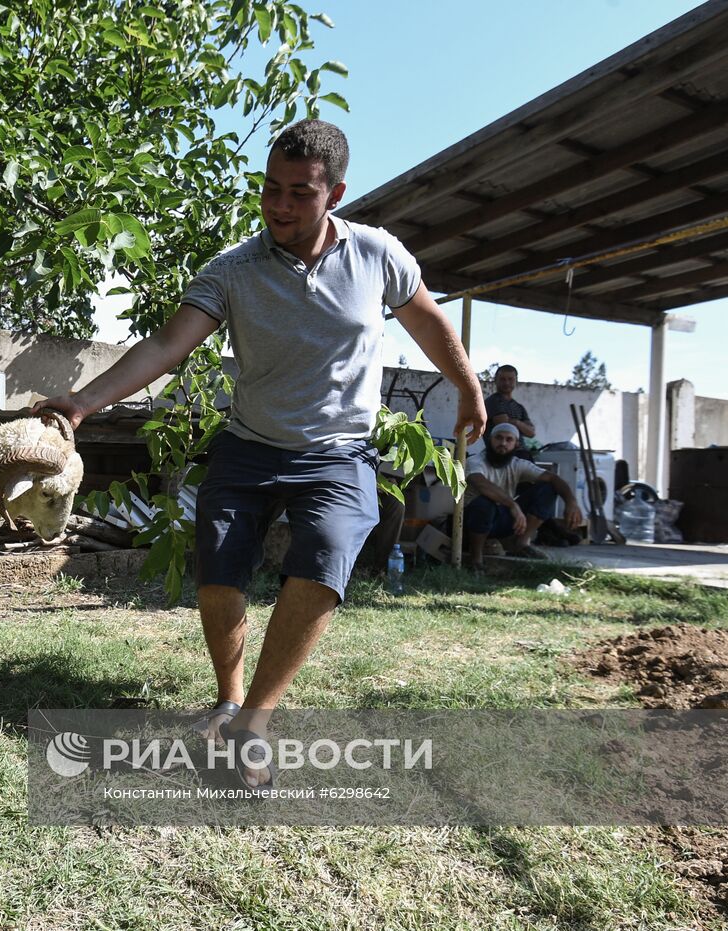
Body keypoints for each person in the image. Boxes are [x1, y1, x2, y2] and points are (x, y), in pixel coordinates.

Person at [34, 120, 485, 789]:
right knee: (219, 567)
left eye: (299, 193)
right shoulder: (233, 269)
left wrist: (469, 389)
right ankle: (226, 696)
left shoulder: (376, 255)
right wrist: (81, 402)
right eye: (271, 188)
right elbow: (166, 346)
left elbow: (426, 320)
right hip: (250, 442)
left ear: (334, 192)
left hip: (338, 452)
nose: (279, 204)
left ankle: (253, 724)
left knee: (326, 556)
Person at [464, 422, 584, 568]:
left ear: (516, 445)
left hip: (500, 521)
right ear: (490, 440)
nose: (503, 443)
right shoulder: (475, 461)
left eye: (509, 440)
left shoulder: (517, 464)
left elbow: (553, 478)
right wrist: (512, 505)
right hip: (470, 522)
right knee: (484, 503)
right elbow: (481, 484)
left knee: (547, 488)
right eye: (499, 438)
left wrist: (571, 502)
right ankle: (476, 559)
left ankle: (521, 544)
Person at [485, 364, 537, 459]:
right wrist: (521, 425)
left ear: (516, 381)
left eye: (510, 379)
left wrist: (515, 422)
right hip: (500, 455)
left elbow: (531, 433)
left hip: (521, 455)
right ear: (495, 380)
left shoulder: (519, 407)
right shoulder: (493, 402)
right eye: (503, 379)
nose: (507, 383)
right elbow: (503, 425)